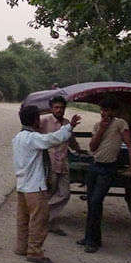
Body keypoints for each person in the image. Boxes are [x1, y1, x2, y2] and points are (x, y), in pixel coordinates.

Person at [13, 104, 81, 263]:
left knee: (23, 219)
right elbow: (52, 139)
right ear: (35, 120)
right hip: (35, 187)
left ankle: (22, 247)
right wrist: (69, 127)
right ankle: (35, 251)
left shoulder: (17, 138)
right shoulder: (33, 138)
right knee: (39, 219)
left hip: (22, 186)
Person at [77, 98, 131, 253]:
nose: (105, 113)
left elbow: (130, 145)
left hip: (108, 169)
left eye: (108, 110)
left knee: (96, 201)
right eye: (103, 110)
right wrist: (102, 130)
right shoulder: (97, 126)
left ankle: (92, 241)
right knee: (91, 203)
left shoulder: (120, 124)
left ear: (114, 112)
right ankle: (91, 238)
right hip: (95, 167)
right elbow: (92, 147)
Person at [39, 96, 82, 235]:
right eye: (56, 107)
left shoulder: (67, 123)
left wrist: (79, 149)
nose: (59, 110)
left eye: (62, 107)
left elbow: (71, 140)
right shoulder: (44, 121)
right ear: (51, 108)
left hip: (63, 163)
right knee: (50, 192)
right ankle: (45, 222)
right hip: (49, 163)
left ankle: (42, 217)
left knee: (64, 194)